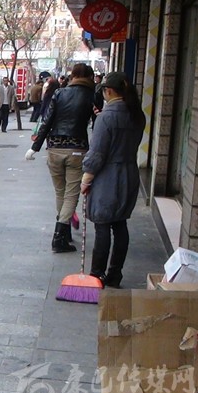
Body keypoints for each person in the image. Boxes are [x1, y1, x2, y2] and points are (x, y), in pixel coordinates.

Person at [81, 72, 145, 288]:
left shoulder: (106, 118)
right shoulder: (137, 115)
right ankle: (115, 274)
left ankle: (96, 274)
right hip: (129, 174)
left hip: (108, 177)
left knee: (102, 225)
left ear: (108, 91)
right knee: (120, 224)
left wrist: (86, 178)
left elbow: (97, 153)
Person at [25, 63, 95, 253]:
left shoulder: (60, 93)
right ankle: (59, 237)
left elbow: (47, 121)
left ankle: (65, 233)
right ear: (89, 77)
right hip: (77, 149)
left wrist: (35, 147)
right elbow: (98, 124)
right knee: (71, 195)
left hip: (54, 148)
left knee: (60, 193)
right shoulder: (92, 95)